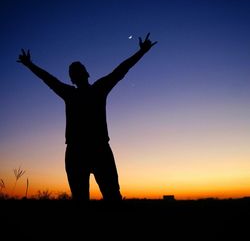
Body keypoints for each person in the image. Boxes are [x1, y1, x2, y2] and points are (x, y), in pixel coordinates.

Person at [17, 33, 157, 201]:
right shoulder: (77, 92)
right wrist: (29, 64)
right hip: (80, 151)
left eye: (78, 70)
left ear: (85, 73)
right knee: (85, 198)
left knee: (111, 195)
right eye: (74, 72)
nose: (77, 73)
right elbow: (49, 79)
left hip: (97, 149)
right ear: (74, 77)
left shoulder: (95, 89)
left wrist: (141, 52)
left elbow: (121, 70)